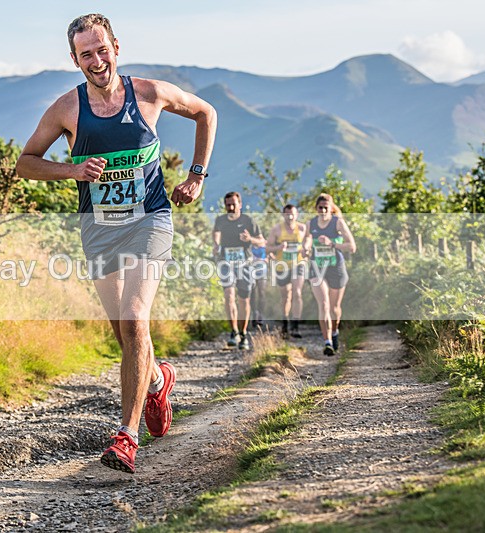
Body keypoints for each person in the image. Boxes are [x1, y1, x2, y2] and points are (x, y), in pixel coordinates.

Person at [15, 13, 217, 474]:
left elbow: (206, 113)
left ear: (116, 47)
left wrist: (196, 177)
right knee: (124, 334)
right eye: (86, 53)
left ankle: (127, 437)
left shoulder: (149, 93)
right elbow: (25, 163)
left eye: (101, 49)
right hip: (99, 229)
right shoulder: (67, 109)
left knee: (135, 317)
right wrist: (72, 170)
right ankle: (157, 380)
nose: (96, 59)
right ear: (75, 59)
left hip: (150, 220)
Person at [302, 194, 356, 355]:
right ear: (316, 208)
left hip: (335, 267)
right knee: (323, 304)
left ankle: (335, 332)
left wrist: (332, 243)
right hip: (317, 268)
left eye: (326, 207)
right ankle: (327, 342)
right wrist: (305, 248)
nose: (323, 210)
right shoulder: (310, 224)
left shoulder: (338, 223)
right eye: (320, 207)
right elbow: (307, 240)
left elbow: (352, 247)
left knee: (334, 308)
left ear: (331, 208)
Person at [212, 192, 266, 351]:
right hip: (226, 262)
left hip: (245, 264)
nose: (231, 207)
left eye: (234, 204)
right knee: (229, 295)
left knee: (244, 300)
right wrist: (216, 244)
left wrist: (250, 240)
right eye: (228, 204)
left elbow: (261, 242)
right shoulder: (220, 220)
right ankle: (233, 331)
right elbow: (216, 232)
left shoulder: (248, 221)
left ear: (240, 204)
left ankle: (243, 334)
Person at [266, 204, 307, 338]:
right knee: (285, 296)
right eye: (287, 214)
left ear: (296, 215)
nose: (290, 216)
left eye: (292, 214)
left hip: (298, 264)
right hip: (282, 266)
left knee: (297, 292)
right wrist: (279, 247)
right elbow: (267, 248)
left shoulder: (302, 228)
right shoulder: (277, 229)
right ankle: (285, 321)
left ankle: (295, 326)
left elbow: (309, 242)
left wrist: (306, 249)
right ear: (283, 215)